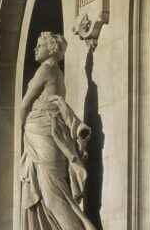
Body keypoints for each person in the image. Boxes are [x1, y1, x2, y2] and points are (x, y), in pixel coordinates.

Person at [19, 32, 95, 230]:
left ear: (51, 48)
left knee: (54, 197)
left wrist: (22, 128)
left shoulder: (46, 69)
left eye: (39, 45)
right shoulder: (57, 73)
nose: (35, 49)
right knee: (54, 195)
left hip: (42, 134)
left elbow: (24, 103)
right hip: (47, 134)